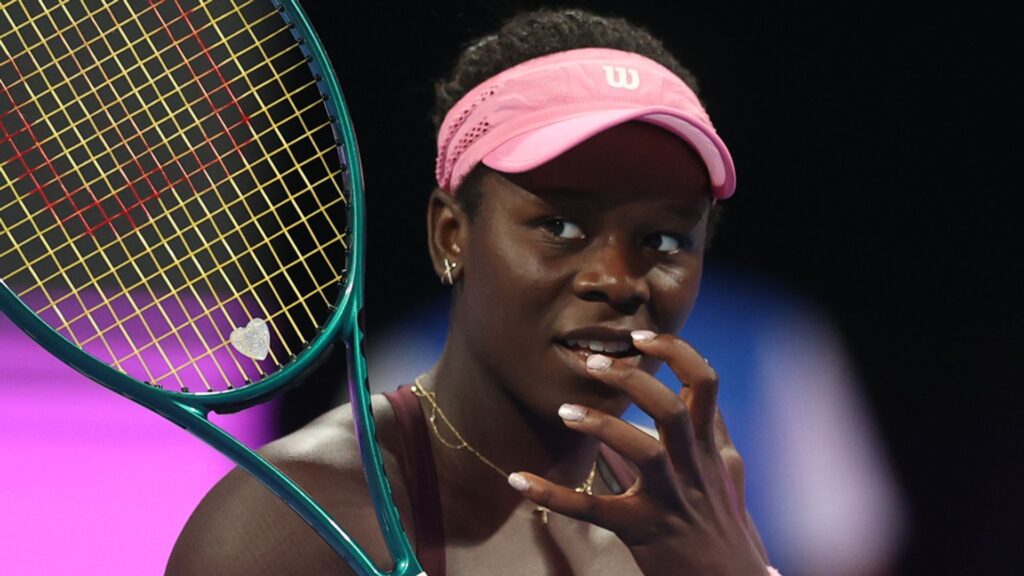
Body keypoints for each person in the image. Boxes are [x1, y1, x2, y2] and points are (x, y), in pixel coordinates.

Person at [167, 8, 779, 575]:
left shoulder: (691, 518)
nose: (617, 280)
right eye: (560, 227)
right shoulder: (287, 526)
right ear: (451, 235)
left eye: (665, 241)